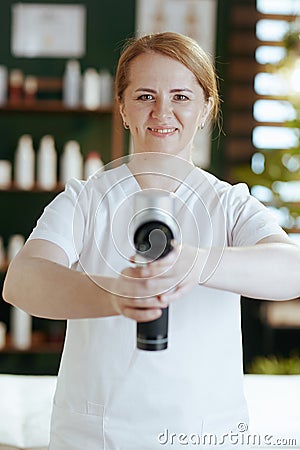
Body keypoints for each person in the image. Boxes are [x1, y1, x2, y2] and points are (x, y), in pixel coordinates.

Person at [3, 32, 300, 449]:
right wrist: (114, 295)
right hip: (96, 434)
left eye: (181, 96)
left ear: (206, 109)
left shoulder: (230, 204)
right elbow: (22, 280)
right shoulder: (85, 199)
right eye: (145, 96)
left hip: (206, 431)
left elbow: (293, 270)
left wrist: (196, 263)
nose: (163, 111)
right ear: (122, 108)